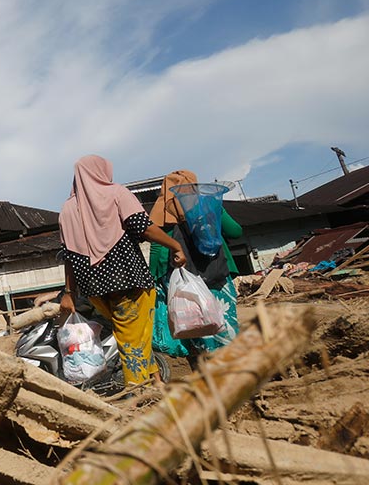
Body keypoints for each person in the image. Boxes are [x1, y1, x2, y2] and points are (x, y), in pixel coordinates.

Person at [58, 155, 187, 387]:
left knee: (133, 335)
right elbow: (143, 228)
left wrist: (69, 291)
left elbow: (67, 255)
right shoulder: (116, 193)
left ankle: (155, 381)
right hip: (128, 282)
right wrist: (175, 245)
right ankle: (136, 394)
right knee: (132, 339)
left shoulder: (66, 210)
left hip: (94, 289)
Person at [149, 170, 242, 361]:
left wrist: (156, 280)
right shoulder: (208, 205)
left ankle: (206, 374)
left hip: (181, 282)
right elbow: (235, 232)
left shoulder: (159, 214)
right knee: (224, 327)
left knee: (193, 328)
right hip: (217, 275)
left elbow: (156, 254)